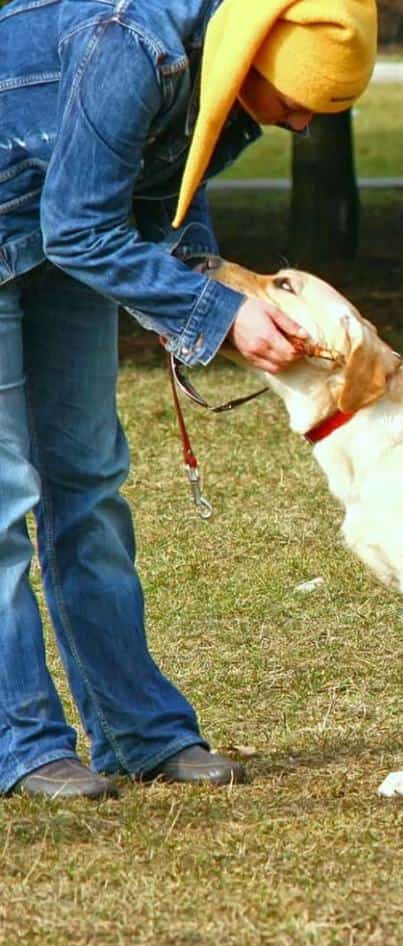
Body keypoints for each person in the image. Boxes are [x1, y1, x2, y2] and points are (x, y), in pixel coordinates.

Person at [0, 0, 377, 799]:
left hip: (58, 234)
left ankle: (139, 735)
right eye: (299, 100)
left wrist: (213, 289)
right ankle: (22, 743)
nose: (303, 125)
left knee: (89, 485)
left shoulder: (226, 69)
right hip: (54, 228)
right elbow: (80, 226)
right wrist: (220, 314)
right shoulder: (128, 44)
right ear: (261, 52)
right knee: (4, 500)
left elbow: (167, 195)